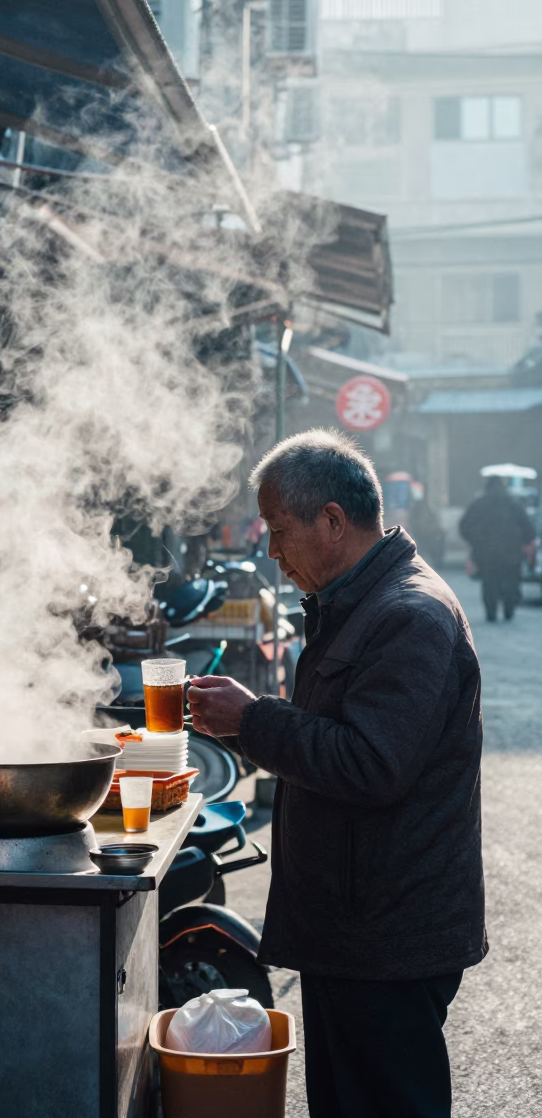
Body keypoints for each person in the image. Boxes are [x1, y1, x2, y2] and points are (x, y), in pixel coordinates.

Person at [188, 429, 486, 1118]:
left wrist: (253, 720)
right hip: (355, 929)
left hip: (387, 934)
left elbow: (372, 763)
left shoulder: (408, 615)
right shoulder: (360, 605)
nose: (271, 551)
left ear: (332, 520)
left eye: (279, 529)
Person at [459, 474, 536, 622]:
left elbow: (465, 526)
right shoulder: (513, 504)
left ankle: (491, 612)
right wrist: (524, 542)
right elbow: (527, 528)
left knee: (489, 583)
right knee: (511, 580)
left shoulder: (479, 504)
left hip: (486, 552)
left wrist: (475, 541)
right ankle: (509, 607)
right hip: (511, 551)